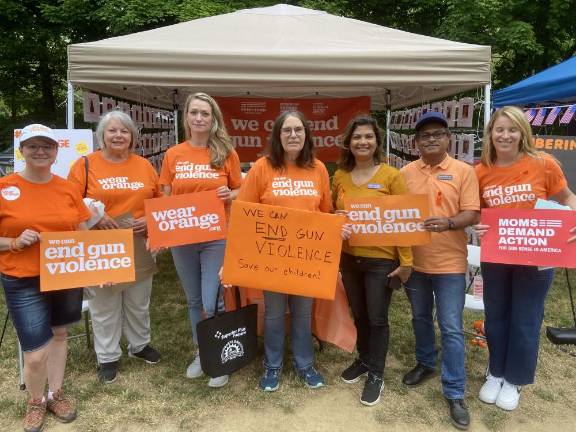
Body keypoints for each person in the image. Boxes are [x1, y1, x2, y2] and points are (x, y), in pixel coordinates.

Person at [237, 111, 350, 392]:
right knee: (274, 314)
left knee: (302, 312)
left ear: (306, 135)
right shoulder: (262, 167)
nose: (293, 135)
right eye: (286, 130)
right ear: (277, 135)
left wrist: (337, 228)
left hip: (307, 257)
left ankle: (305, 364)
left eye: (298, 130)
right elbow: (244, 213)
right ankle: (272, 366)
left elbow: (326, 213)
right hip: (272, 257)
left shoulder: (319, 169)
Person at [474, 106, 576, 411]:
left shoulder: (543, 163)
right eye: (499, 129)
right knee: (496, 316)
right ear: (490, 133)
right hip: (498, 255)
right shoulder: (481, 171)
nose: (505, 135)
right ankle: (496, 371)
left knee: (526, 318)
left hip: (538, 256)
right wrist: (477, 224)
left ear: (523, 133)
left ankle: (515, 379)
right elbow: (478, 211)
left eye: (512, 129)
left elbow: (567, 197)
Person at [0, 124, 91, 432]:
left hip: (64, 273)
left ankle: (56, 393)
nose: (40, 151)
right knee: (35, 353)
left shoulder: (66, 187)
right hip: (23, 277)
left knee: (60, 335)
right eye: (33, 146)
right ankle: (36, 400)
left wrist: (99, 267)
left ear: (56, 151)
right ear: (21, 150)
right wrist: (13, 241)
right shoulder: (4, 187)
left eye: (47, 146)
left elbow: (81, 234)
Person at [68, 111, 161, 383]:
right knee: (104, 302)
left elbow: (158, 200)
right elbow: (69, 202)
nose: (118, 135)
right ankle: (107, 356)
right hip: (102, 242)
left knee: (138, 299)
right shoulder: (84, 165)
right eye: (112, 131)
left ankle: (139, 345)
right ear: (102, 136)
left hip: (137, 240)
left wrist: (150, 221)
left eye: (124, 131)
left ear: (132, 136)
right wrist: (92, 216)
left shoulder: (144, 166)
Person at [400, 112, 479, 430]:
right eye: (424, 135)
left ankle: (455, 391)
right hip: (415, 263)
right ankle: (425, 363)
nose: (431, 139)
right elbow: (394, 212)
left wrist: (448, 222)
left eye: (438, 133)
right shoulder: (404, 172)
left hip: (449, 264)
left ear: (449, 138)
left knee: (450, 327)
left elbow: (472, 213)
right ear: (415, 142)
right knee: (419, 318)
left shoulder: (463, 172)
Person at [159, 92, 241, 388]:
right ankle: (200, 352)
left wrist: (228, 194)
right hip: (183, 238)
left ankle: (219, 356)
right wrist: (162, 231)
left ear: (213, 118)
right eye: (194, 112)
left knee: (213, 299)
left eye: (205, 113)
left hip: (216, 237)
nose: (199, 118)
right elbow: (164, 196)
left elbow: (239, 191)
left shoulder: (226, 153)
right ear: (187, 117)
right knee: (194, 300)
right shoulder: (173, 154)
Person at [332, 116, 412, 406]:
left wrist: (406, 262)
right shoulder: (340, 176)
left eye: (368, 136)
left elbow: (404, 220)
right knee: (360, 314)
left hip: (382, 261)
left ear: (377, 141)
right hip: (350, 258)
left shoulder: (392, 176)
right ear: (348, 143)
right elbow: (332, 211)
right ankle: (364, 360)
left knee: (377, 318)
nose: (362, 142)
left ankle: (377, 373)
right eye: (357, 137)